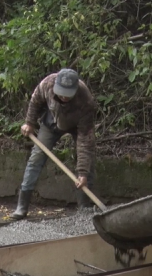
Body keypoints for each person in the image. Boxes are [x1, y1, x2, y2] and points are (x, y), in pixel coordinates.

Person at [11, 68, 97, 220]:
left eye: (67, 94)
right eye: (61, 93)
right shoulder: (48, 84)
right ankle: (22, 206)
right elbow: (35, 101)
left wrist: (82, 173)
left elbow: (85, 141)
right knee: (36, 158)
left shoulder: (85, 100)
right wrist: (29, 123)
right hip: (51, 122)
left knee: (87, 161)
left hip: (77, 126)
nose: (63, 96)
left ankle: (84, 206)